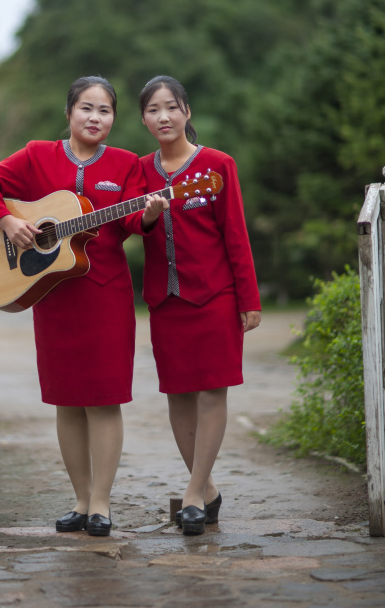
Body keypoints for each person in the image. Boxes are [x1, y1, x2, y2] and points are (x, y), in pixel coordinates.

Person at [0, 76, 166, 537]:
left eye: (105, 111)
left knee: (103, 398)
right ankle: (79, 500)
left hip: (106, 294)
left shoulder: (126, 164)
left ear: (114, 118)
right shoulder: (37, 154)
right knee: (66, 401)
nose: (95, 118)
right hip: (52, 293)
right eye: (86, 109)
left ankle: (101, 504)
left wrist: (151, 214)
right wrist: (9, 221)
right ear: (69, 113)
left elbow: (134, 220)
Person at [138, 75, 261, 535]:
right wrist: (146, 218)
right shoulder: (138, 169)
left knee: (213, 391)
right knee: (177, 393)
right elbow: (127, 223)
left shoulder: (216, 165)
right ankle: (206, 489)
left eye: (171, 107)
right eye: (153, 109)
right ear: (144, 119)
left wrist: (248, 299)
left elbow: (236, 235)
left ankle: (191, 494)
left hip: (214, 295)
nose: (163, 116)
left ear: (187, 111)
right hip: (164, 298)